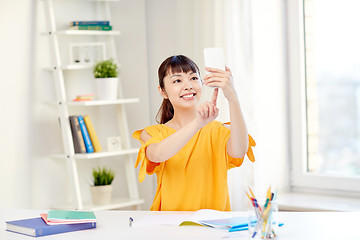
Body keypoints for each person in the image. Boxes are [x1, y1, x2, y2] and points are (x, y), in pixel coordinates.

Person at [133, 55, 255, 211]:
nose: (188, 85)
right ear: (162, 91)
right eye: (177, 80)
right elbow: (157, 154)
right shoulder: (152, 133)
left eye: (193, 78)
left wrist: (233, 98)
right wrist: (198, 123)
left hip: (213, 228)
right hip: (170, 228)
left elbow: (239, 151)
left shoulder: (217, 130)